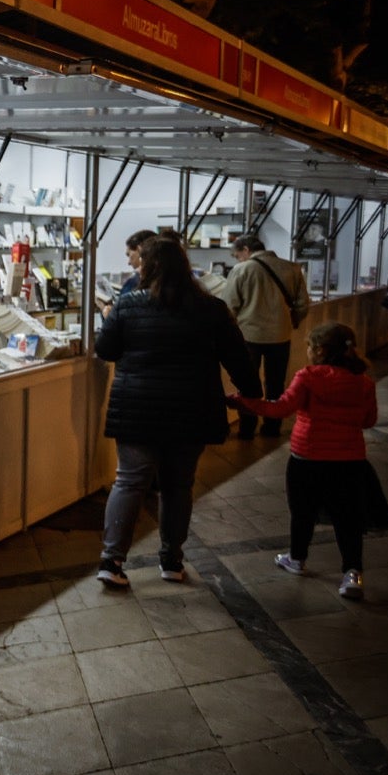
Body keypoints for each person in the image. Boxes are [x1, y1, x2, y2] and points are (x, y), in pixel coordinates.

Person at [95, 236, 261, 589]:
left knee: (129, 481)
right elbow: (238, 357)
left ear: (148, 267)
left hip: (137, 409)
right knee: (177, 486)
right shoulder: (212, 308)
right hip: (191, 409)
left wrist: (110, 317)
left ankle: (112, 561)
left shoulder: (128, 305)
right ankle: (171, 560)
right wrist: (252, 395)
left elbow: (106, 350)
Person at [228, 322, 377, 600]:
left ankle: (297, 559)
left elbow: (280, 409)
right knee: (348, 518)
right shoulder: (364, 382)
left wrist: (243, 402)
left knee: (302, 511)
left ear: (319, 350)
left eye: (309, 346)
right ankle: (353, 574)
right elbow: (369, 420)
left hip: (307, 456)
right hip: (350, 459)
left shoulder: (308, 377)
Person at [219, 234, 311, 439]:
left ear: (245, 249)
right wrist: (291, 322)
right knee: (276, 383)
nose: (238, 259)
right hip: (281, 335)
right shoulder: (292, 268)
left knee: (247, 383)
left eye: (237, 255)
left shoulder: (242, 270)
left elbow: (229, 306)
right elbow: (303, 304)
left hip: (248, 335)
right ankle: (272, 427)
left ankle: (247, 428)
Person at [99, 229, 157, 317]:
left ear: (139, 250)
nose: (128, 263)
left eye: (129, 255)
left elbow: (121, 320)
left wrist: (107, 314)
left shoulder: (134, 283)